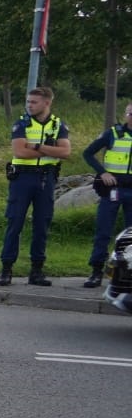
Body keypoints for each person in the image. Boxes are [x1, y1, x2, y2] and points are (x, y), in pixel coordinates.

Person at [1, 86, 71, 287]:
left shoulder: (58, 125)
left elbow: (66, 152)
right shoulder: (22, 123)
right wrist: (52, 151)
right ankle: (6, 269)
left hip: (46, 179)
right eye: (28, 101)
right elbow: (20, 152)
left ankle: (36, 271)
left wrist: (38, 147)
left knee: (42, 225)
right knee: (15, 223)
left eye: (34, 102)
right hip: (22, 178)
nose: (29, 105)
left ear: (47, 103)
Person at [82, 102, 132, 287]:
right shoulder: (113, 133)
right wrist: (103, 172)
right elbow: (87, 153)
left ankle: (126, 273)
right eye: (131, 113)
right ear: (126, 114)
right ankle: (96, 271)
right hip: (113, 188)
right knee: (103, 231)